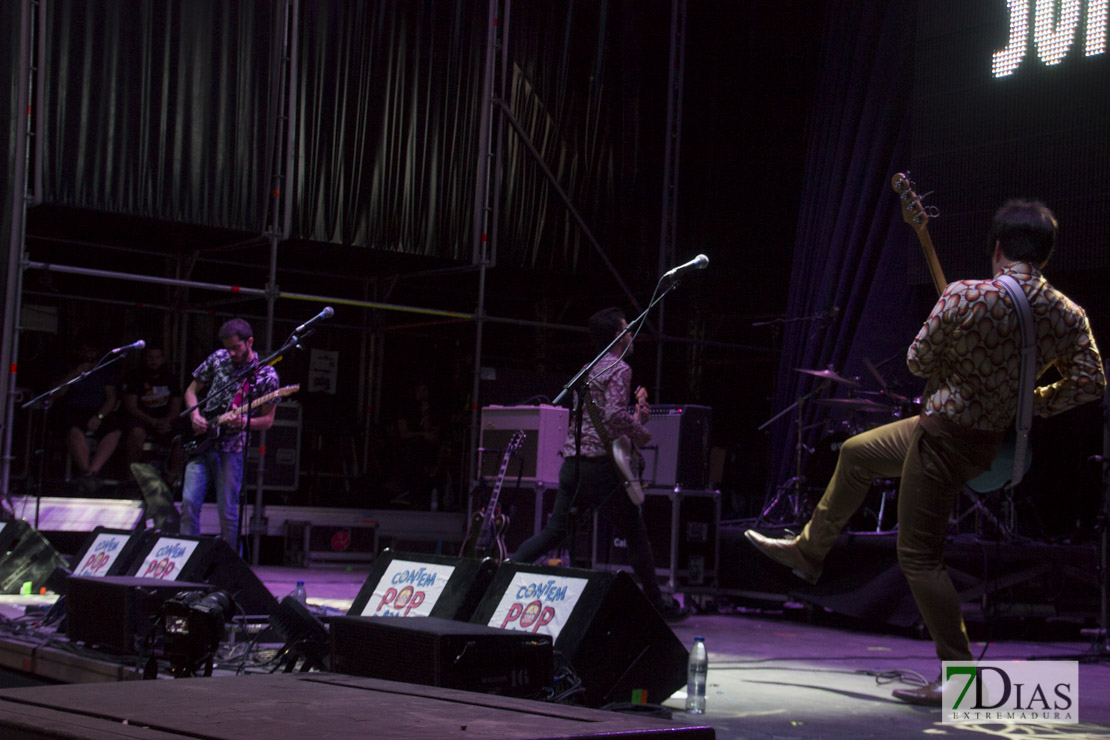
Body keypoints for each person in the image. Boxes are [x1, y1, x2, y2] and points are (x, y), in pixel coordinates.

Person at [746, 199, 1105, 705]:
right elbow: (1091, 382)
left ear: (997, 248)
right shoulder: (1067, 313)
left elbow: (916, 361)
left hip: (943, 439)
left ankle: (958, 677)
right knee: (857, 453)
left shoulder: (967, 295)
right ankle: (809, 549)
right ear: (1046, 254)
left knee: (917, 555)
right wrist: (1035, 402)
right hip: (983, 440)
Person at [510, 307, 689, 622]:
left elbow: (595, 421)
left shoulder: (587, 369)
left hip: (573, 465)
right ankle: (658, 606)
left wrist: (636, 417)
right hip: (601, 468)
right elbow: (613, 417)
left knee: (554, 532)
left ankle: (501, 576)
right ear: (619, 334)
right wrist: (642, 431)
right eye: (628, 328)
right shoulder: (619, 368)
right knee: (635, 534)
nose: (632, 334)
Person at [181, 319, 279, 550]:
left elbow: (268, 420)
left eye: (236, 347)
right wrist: (195, 415)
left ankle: (230, 566)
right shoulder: (218, 358)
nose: (231, 353)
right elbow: (191, 391)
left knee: (228, 512)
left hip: (233, 449)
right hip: (203, 442)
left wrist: (244, 421)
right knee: (188, 504)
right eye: (228, 348)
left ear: (250, 342)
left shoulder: (266, 375)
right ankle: (187, 559)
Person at [52, 338, 122, 489]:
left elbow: (111, 398)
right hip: (72, 409)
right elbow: (55, 394)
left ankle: (92, 472)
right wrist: (75, 373)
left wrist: (99, 416)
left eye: (91, 350)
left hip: (98, 410)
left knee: (114, 431)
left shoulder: (105, 368)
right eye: (84, 350)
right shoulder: (67, 366)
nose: (87, 354)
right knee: (73, 430)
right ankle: (86, 473)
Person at [121, 345, 184, 486]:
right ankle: (131, 479)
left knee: (180, 437)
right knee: (136, 433)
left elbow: (176, 407)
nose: (153, 361)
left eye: (157, 357)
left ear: (163, 359)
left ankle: (171, 480)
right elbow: (131, 407)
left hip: (165, 420)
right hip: (142, 419)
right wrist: (153, 422)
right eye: (150, 357)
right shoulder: (134, 377)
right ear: (144, 359)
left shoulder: (171, 379)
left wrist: (166, 422)